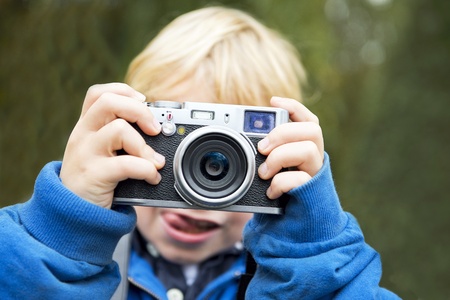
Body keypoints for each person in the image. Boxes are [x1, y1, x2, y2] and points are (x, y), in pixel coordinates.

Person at [0, 6, 399, 300]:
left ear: (280, 158)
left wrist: (314, 259)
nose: (199, 194)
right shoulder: (73, 255)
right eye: (180, 144)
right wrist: (60, 235)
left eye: (232, 156)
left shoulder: (293, 275)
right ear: (130, 130)